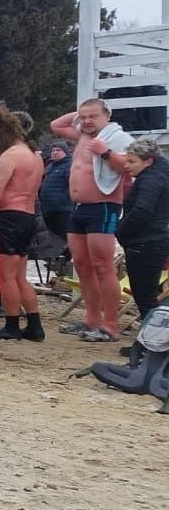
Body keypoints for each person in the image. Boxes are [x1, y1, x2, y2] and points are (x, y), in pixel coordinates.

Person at [50, 99, 134, 342]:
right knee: (82, 265)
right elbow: (56, 125)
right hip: (78, 208)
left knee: (102, 265)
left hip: (103, 206)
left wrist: (105, 152)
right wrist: (81, 112)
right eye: (83, 117)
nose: (86, 121)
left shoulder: (116, 138)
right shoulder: (83, 137)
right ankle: (91, 319)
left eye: (93, 116)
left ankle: (110, 324)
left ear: (107, 115)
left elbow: (130, 166)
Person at [0, 104, 46, 342]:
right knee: (19, 277)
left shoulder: (10, 156)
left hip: (9, 217)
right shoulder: (35, 156)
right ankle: (35, 325)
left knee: (6, 277)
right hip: (28, 216)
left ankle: (12, 324)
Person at [116, 138, 169, 319]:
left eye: (132, 161)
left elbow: (143, 210)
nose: (127, 166)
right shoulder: (156, 176)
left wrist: (121, 230)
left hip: (145, 242)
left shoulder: (152, 179)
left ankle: (152, 342)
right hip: (151, 240)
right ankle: (149, 340)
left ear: (148, 161)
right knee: (147, 294)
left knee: (144, 295)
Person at [39, 142, 73, 238]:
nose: (55, 152)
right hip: (48, 210)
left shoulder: (68, 166)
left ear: (65, 152)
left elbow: (72, 184)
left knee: (63, 237)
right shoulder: (50, 167)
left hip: (62, 210)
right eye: (53, 150)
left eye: (58, 150)